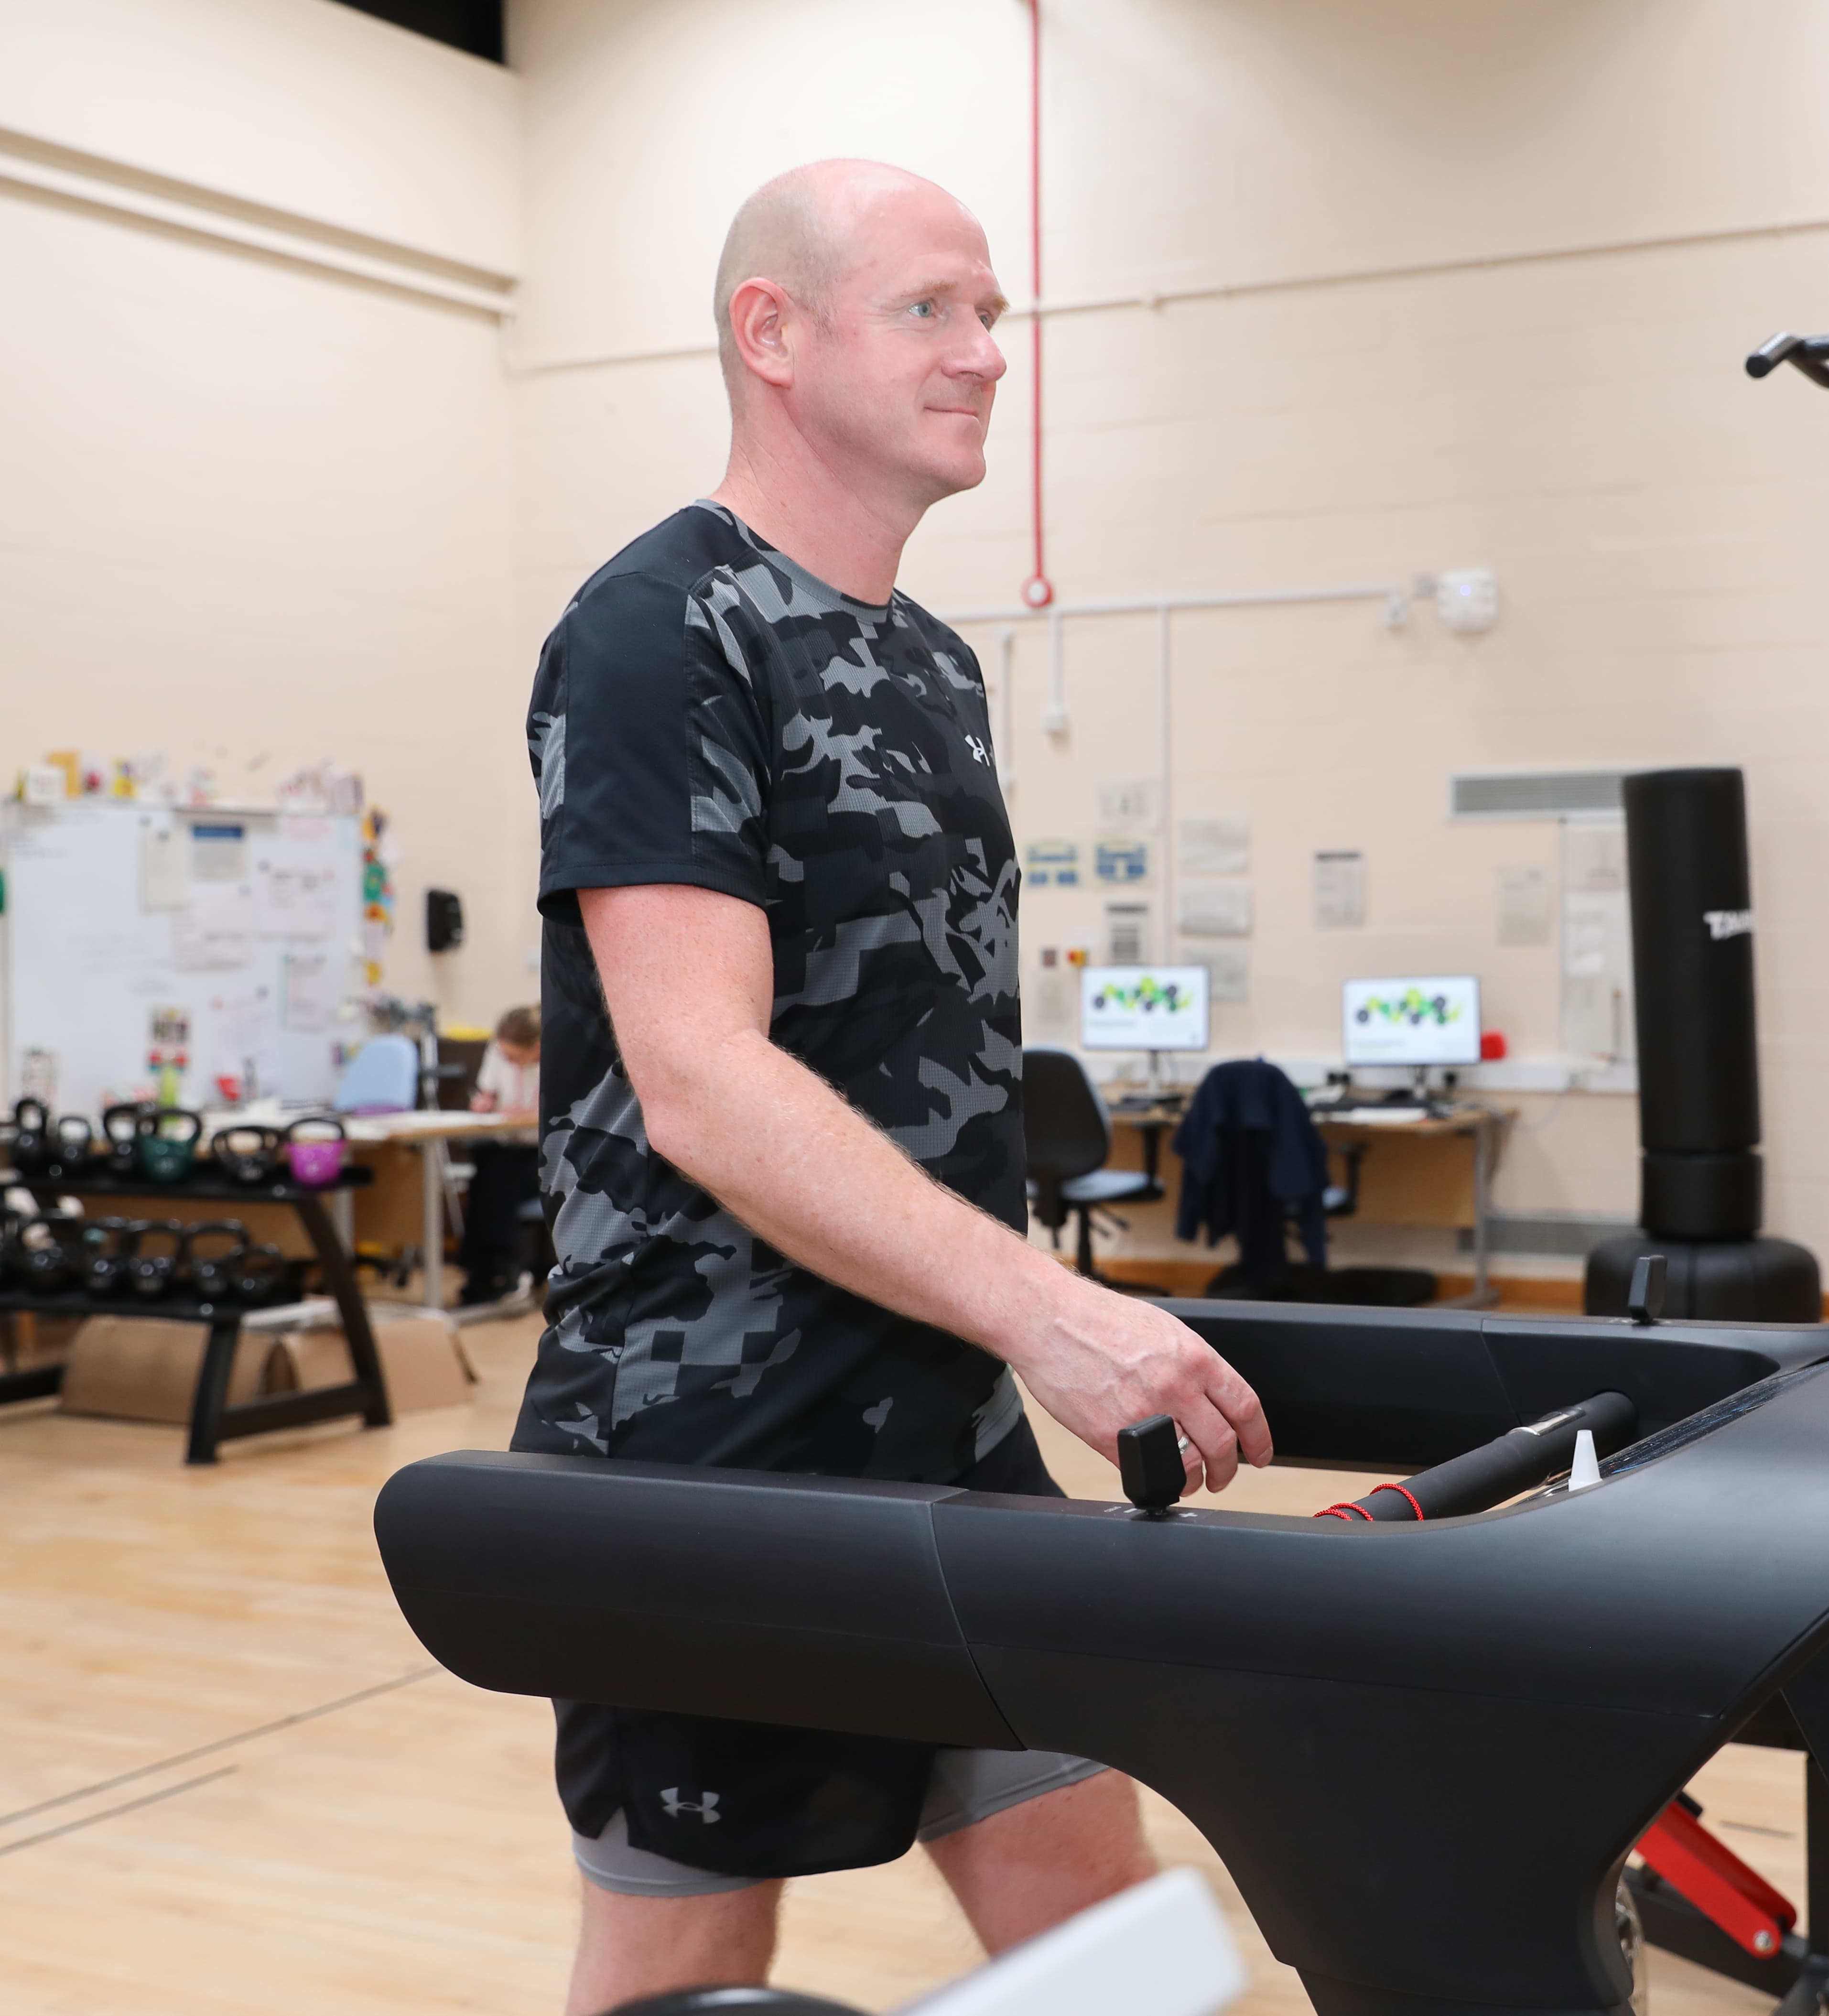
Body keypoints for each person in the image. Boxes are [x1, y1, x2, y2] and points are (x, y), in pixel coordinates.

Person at [511, 159, 1273, 2016]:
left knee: (1130, 1954)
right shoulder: (655, 627)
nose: (988, 354)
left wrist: (1010, 1334)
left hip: (932, 1416)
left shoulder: (928, 660)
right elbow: (695, 1073)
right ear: (773, 334)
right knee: (685, 1973)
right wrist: (1060, 1315)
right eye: (932, 307)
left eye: (994, 311)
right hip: (718, 1441)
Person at [457, 1003, 543, 1307]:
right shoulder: (497, 1052)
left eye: (514, 1057)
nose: (508, 1061)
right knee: (485, 1173)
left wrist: (531, 1115)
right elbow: (488, 1091)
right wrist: (485, 1101)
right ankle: (482, 1272)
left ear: (537, 1047)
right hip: (506, 1148)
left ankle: (498, 1270)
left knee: (499, 1180)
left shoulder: (559, 1060)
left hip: (543, 1155)